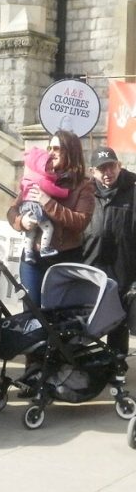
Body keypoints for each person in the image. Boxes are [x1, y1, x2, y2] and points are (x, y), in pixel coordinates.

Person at [7, 130, 95, 307]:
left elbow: (80, 222)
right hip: (33, 258)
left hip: (64, 259)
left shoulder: (83, 185)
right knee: (31, 313)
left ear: (70, 152)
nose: (51, 152)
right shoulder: (39, 176)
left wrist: (47, 202)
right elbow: (12, 210)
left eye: (57, 148)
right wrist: (21, 222)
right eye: (49, 148)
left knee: (58, 317)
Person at [82, 146, 135, 355]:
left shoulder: (133, 193)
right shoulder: (84, 194)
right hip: (89, 271)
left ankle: (116, 365)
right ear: (92, 171)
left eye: (111, 167)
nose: (107, 173)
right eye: (102, 169)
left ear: (119, 166)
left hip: (122, 271)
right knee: (86, 321)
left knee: (118, 323)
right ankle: (82, 363)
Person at [17, 147, 70, 263]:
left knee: (31, 231)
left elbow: (22, 189)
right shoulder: (42, 180)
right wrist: (65, 192)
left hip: (26, 207)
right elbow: (53, 190)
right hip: (36, 207)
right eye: (48, 167)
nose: (51, 168)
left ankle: (28, 252)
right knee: (48, 228)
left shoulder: (29, 178)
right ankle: (45, 248)